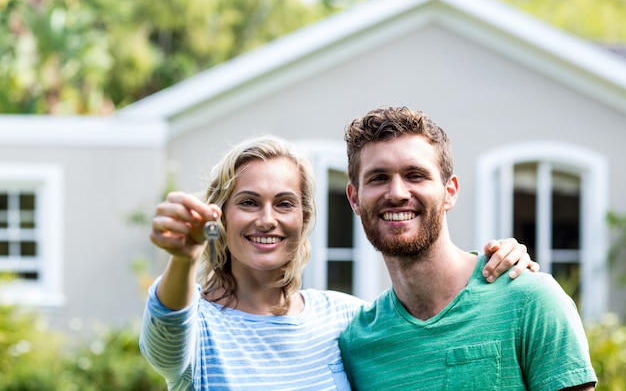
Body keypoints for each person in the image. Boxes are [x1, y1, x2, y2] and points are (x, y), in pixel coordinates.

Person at [140, 135, 537, 391]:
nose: (267, 218)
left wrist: (498, 266)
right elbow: (166, 332)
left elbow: (429, 338)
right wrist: (183, 258)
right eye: (248, 202)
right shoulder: (200, 324)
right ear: (220, 216)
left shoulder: (345, 318)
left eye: (284, 203)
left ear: (304, 219)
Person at [338, 106, 597, 390]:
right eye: (378, 178)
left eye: (415, 175)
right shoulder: (357, 342)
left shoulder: (531, 301)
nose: (397, 193)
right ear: (354, 200)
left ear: (449, 192)